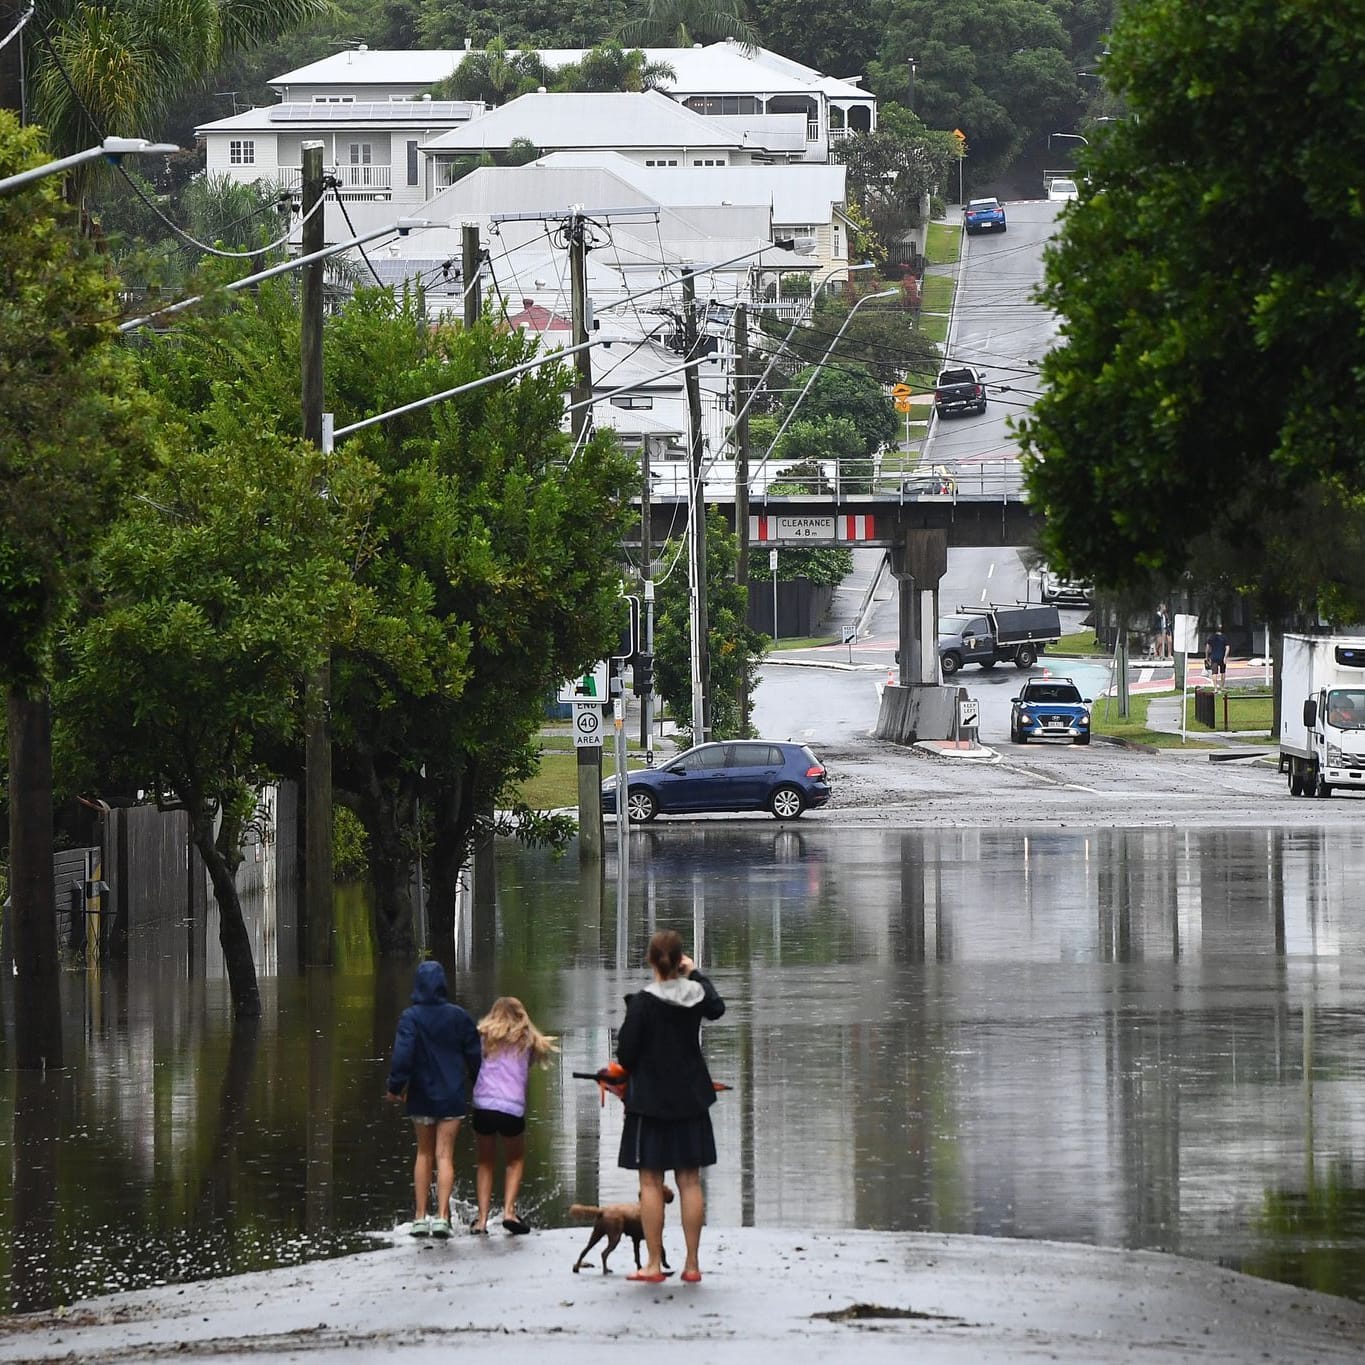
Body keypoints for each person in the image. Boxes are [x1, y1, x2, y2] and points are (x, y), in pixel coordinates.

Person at [615, 929, 726, 1284]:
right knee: (690, 1181)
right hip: (691, 1098)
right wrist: (694, 973)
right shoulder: (695, 996)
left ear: (650, 960)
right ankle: (692, 1264)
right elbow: (717, 1006)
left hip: (649, 1102)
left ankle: (652, 1262)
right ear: (680, 961)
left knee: (650, 1182)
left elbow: (626, 1053)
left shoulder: (643, 1003)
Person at [385, 960, 482, 1238]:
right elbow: (474, 1055)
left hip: (421, 1095)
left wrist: (395, 1087)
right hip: (452, 1095)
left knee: (424, 1153)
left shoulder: (410, 1017)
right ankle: (441, 1217)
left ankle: (419, 1217)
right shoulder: (459, 1017)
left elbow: (402, 1056)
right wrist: (481, 1083)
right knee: (444, 1155)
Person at [468, 996, 558, 1236]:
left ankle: (482, 1220)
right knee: (514, 1160)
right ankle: (509, 1212)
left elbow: (473, 1062)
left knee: (485, 1162)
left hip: (484, 1106)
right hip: (512, 1109)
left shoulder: (484, 1037)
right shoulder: (526, 1040)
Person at [1205, 624, 1229, 690]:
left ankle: (1215, 688)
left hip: (1213, 657)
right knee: (1223, 672)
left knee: (1214, 672)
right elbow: (1227, 647)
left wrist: (1206, 657)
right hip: (1222, 657)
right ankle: (1222, 686)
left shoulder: (1211, 637)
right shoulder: (1224, 637)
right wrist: (1225, 657)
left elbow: (1207, 648)